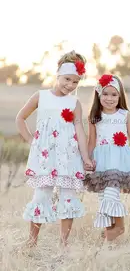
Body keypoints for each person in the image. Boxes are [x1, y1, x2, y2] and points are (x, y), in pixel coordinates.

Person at [16, 50, 93, 247]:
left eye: (75, 82)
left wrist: (85, 158)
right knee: (41, 195)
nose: (70, 85)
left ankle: (64, 243)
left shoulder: (74, 103)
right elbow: (20, 118)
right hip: (45, 156)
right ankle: (32, 242)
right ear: (58, 74)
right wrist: (32, 142)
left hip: (69, 156)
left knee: (68, 196)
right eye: (67, 79)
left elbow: (79, 131)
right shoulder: (40, 96)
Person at [84, 74, 130, 241]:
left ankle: (118, 229)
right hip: (102, 163)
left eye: (114, 94)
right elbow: (91, 141)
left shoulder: (124, 115)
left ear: (120, 96)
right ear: (98, 95)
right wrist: (87, 160)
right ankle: (107, 240)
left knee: (111, 195)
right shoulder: (94, 117)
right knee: (105, 198)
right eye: (105, 94)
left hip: (119, 162)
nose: (109, 98)